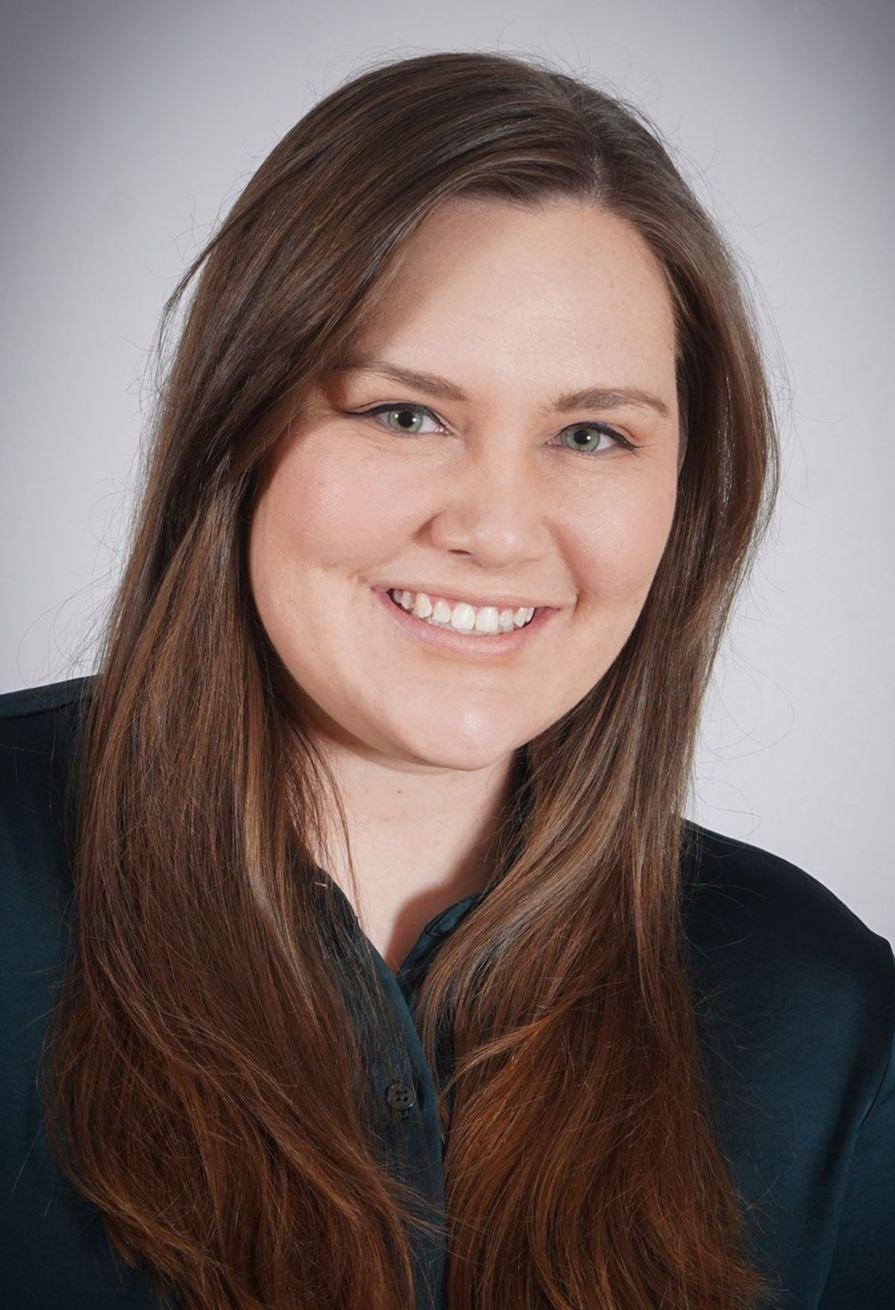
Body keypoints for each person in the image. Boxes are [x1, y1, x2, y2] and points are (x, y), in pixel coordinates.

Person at [1, 48, 892, 1310]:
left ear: (687, 496)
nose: (498, 526)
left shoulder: (829, 1024)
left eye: (591, 434)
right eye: (406, 413)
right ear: (237, 431)